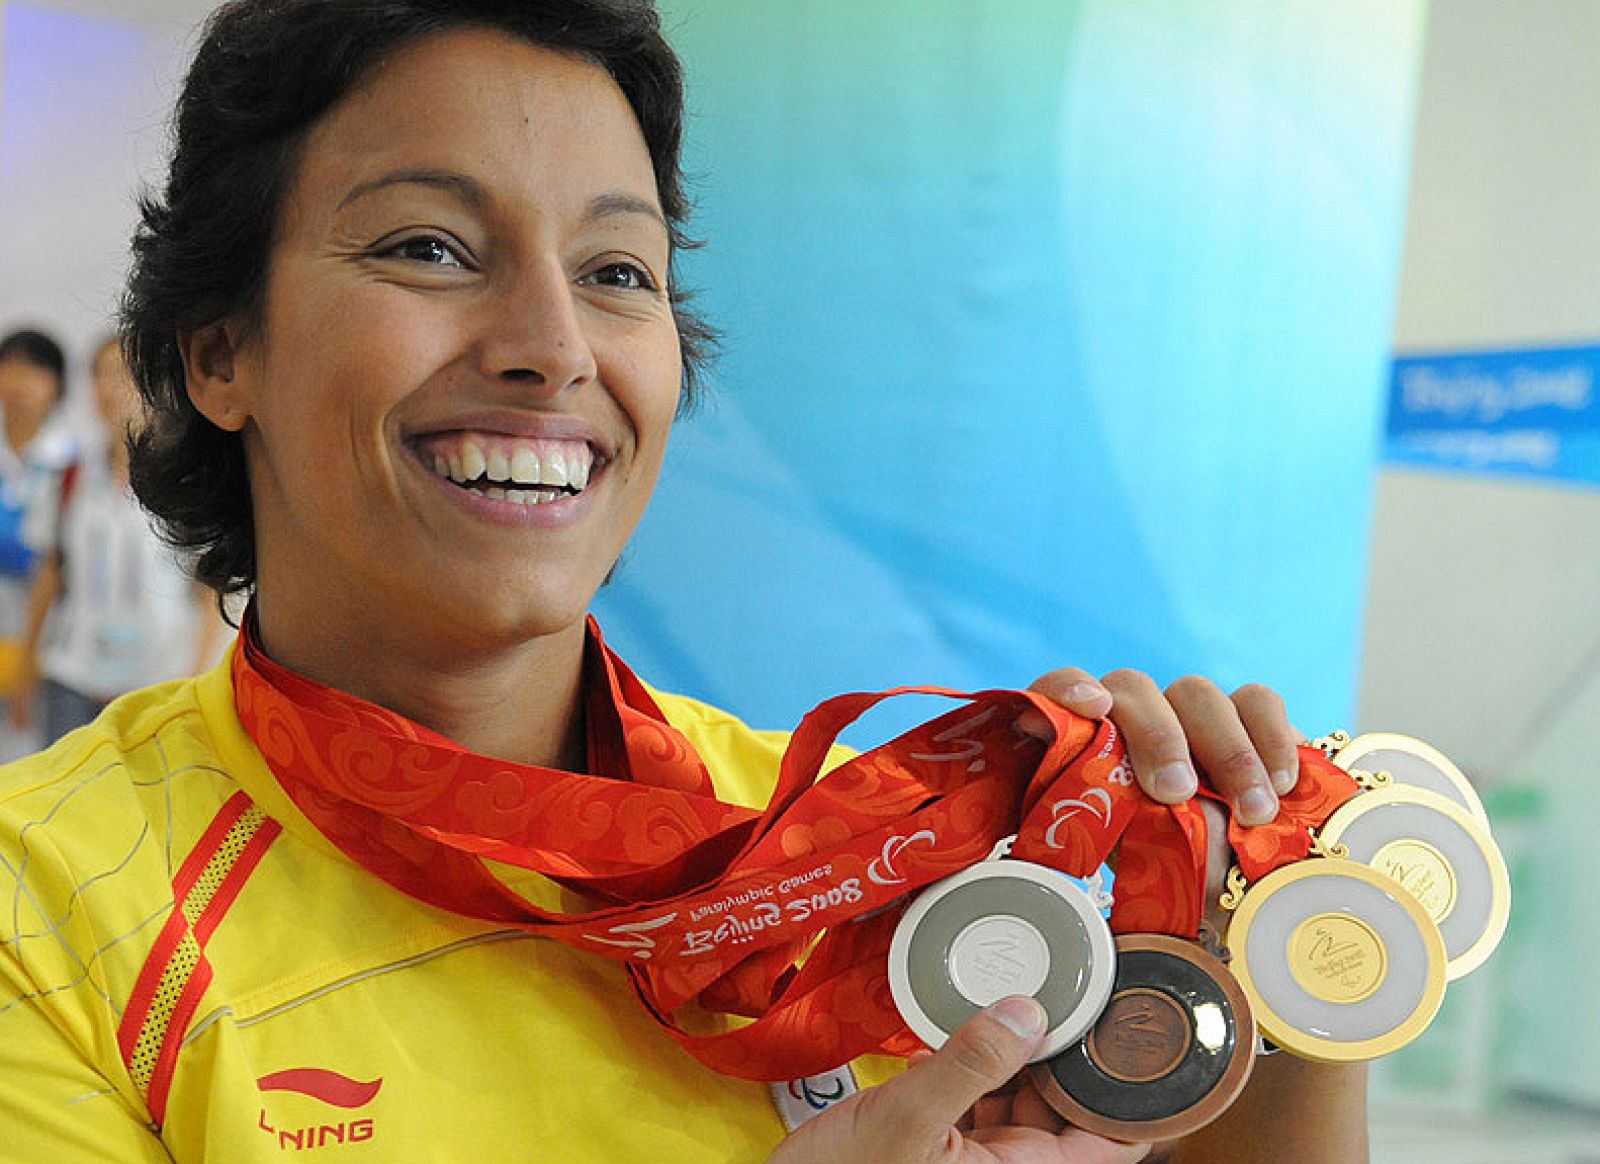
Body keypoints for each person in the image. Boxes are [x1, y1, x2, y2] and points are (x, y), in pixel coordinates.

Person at [0, 3, 1364, 1162]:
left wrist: (1282, 967)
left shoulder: (847, 852)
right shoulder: (47, 910)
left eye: (615, 271)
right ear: (216, 349)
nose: (552, 345)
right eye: (428, 247)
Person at [13, 336, 224, 744]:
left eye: (127, 375)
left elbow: (210, 593)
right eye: (103, 375)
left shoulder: (187, 482)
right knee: (66, 799)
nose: (114, 388)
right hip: (72, 677)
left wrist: (195, 679)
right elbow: (49, 576)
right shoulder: (67, 478)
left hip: (158, 681)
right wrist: (27, 670)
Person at [0, 327, 74, 761]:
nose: (19, 382)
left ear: (58, 387)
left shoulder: (72, 463)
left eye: (35, 371)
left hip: (48, 643)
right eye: (10, 367)